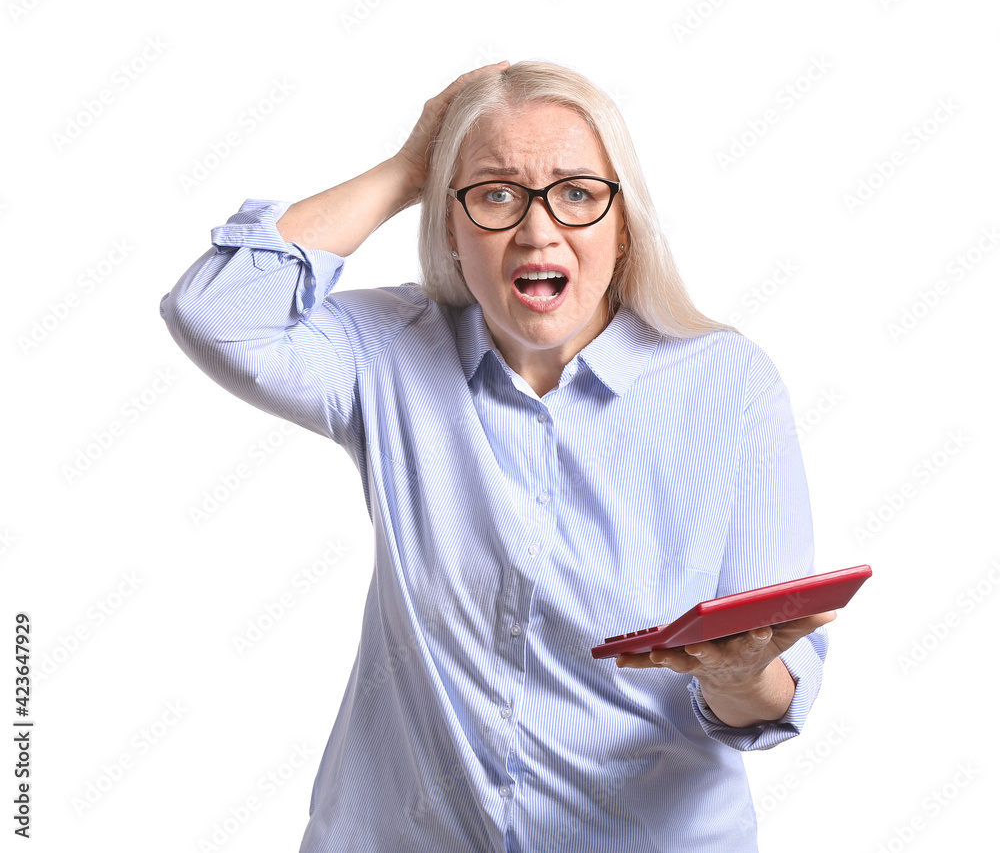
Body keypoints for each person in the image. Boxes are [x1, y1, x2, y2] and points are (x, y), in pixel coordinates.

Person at [161, 60, 835, 852]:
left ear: (625, 228)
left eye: (578, 193)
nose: (538, 229)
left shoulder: (728, 382)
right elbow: (215, 312)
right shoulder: (389, 351)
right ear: (450, 226)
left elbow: (773, 699)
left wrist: (736, 676)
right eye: (494, 193)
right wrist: (410, 168)